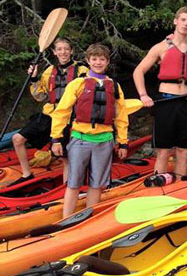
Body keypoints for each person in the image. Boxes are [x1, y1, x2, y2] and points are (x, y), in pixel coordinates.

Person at [50, 44, 129, 218]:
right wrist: (56, 138)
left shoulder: (114, 86)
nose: (98, 62)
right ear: (88, 61)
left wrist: (123, 142)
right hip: (80, 139)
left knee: (97, 184)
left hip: (105, 140)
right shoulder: (78, 83)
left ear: (107, 62)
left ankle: (89, 218)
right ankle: (66, 219)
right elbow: (62, 111)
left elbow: (121, 116)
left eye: (102, 59)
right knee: (73, 183)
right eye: (94, 59)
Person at [133, 7, 187, 180]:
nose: (185, 24)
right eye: (183, 20)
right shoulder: (161, 47)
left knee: (183, 150)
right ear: (176, 21)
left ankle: (180, 185)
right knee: (164, 150)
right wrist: (143, 95)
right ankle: (158, 187)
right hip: (166, 101)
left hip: (186, 102)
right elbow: (138, 71)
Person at [11, 38, 87, 184]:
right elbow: (40, 96)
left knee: (66, 157)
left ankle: (67, 188)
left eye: (66, 49)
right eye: (59, 49)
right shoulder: (49, 71)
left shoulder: (82, 70)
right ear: (54, 52)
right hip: (50, 114)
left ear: (71, 51)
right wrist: (33, 79)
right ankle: (27, 174)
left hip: (70, 116)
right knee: (17, 139)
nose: (63, 52)